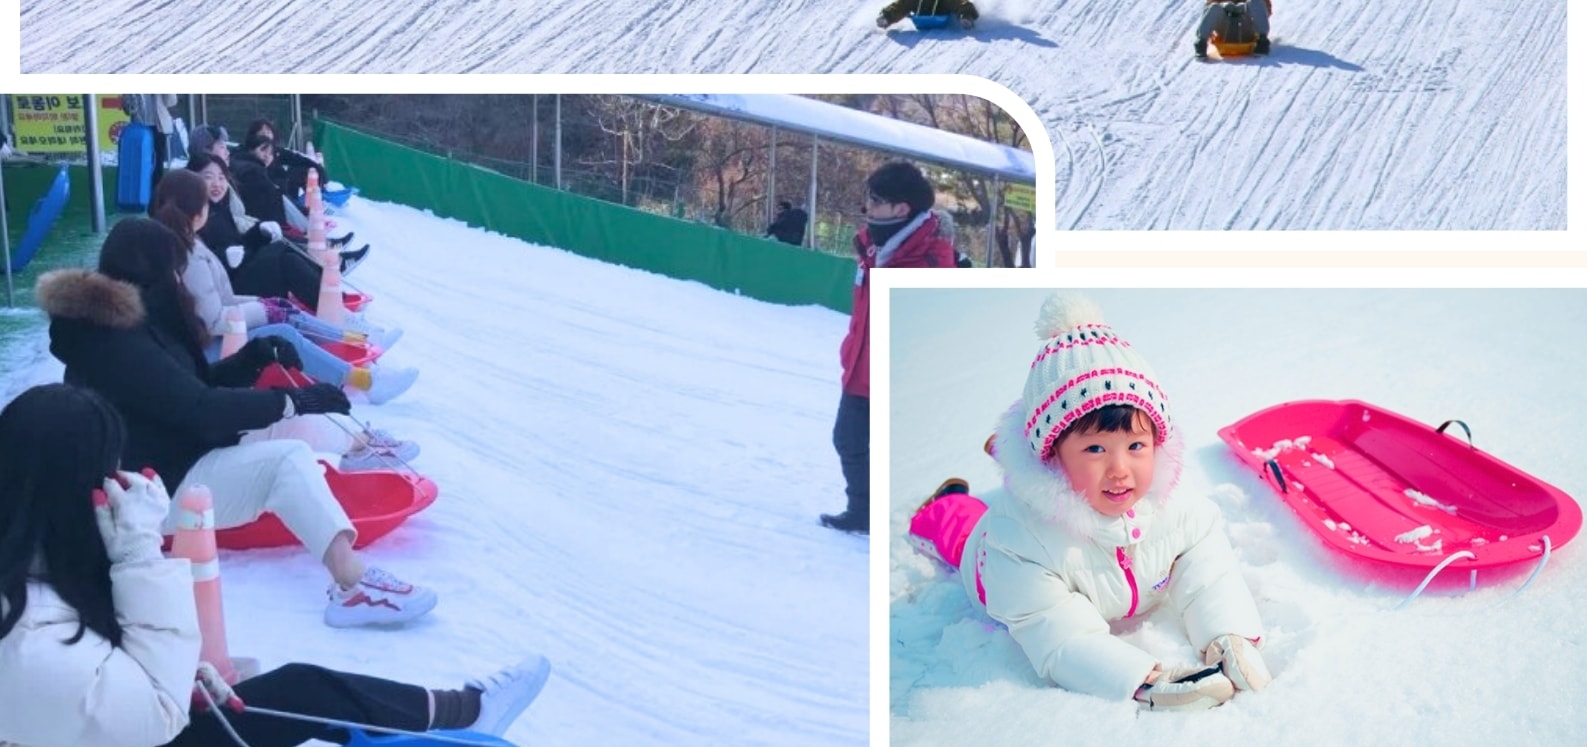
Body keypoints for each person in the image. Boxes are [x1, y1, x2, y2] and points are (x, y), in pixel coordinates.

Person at [0, 383, 551, 747]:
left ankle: (456, 711)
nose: (118, 485)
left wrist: (179, 667)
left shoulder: (35, 558)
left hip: (124, 719)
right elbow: (153, 713)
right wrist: (139, 550)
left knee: (295, 689)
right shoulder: (20, 640)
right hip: (143, 722)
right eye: (108, 473)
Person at [36, 218, 437, 627]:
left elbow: (181, 389)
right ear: (153, 270)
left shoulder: (131, 322)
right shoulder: (114, 342)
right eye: (174, 269)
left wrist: (254, 358)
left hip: (172, 457)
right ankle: (353, 586)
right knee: (288, 458)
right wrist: (291, 400)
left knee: (282, 424)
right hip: (150, 489)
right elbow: (198, 407)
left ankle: (358, 450)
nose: (179, 279)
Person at [904, 292, 1271, 710]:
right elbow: (1057, 632)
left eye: (1136, 445)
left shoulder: (1174, 506)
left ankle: (1018, 452)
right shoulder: (1015, 542)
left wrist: (1230, 635)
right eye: (1096, 449)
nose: (1120, 469)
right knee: (967, 531)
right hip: (993, 566)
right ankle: (942, 505)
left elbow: (1208, 568)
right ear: (1053, 456)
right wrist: (1143, 680)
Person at [152, 169, 417, 406]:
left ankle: (357, 341)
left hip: (213, 335)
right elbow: (213, 321)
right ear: (198, 210)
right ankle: (365, 380)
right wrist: (263, 311)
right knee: (282, 332)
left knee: (285, 311)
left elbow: (223, 299)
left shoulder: (188, 243)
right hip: (207, 349)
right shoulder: (189, 255)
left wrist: (263, 304)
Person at [820, 161, 955, 536]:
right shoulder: (873, 249)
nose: (868, 207)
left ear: (901, 209)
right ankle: (862, 512)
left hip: (900, 375)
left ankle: (932, 523)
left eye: (875, 200)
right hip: (861, 368)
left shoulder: (928, 259)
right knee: (847, 439)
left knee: (907, 455)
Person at [121, 94, 179, 191]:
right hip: (139, 128)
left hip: (158, 127)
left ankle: (155, 196)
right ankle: (140, 195)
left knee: (157, 164)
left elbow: (171, 102)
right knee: (140, 163)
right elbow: (127, 109)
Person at [1194, 0, 1272, 58]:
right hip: (1225, 28)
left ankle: (1262, 40)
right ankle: (1201, 42)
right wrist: (1223, 5)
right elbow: (1208, 9)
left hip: (1246, 26)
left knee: (1256, 2)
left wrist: (1244, 7)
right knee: (1214, 7)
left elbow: (1265, 10)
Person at [877, 0, 978, 30]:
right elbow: (901, 5)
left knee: (957, 3)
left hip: (941, 5)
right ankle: (887, 18)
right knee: (905, 3)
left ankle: (966, 17)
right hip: (923, 4)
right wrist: (887, 14)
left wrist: (965, 12)